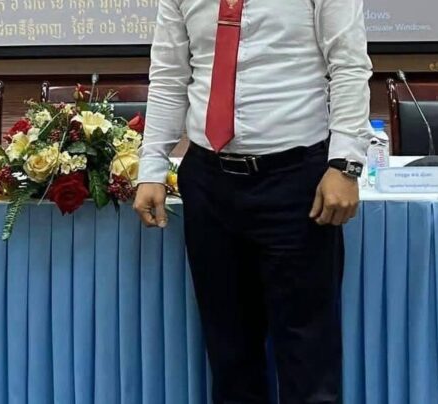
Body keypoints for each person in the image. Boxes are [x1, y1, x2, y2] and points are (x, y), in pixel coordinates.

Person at [134, 0, 372, 402]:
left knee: (307, 355)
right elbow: (170, 75)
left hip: (296, 182)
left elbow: (348, 64)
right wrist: (152, 166)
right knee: (230, 355)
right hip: (208, 182)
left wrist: (345, 164)